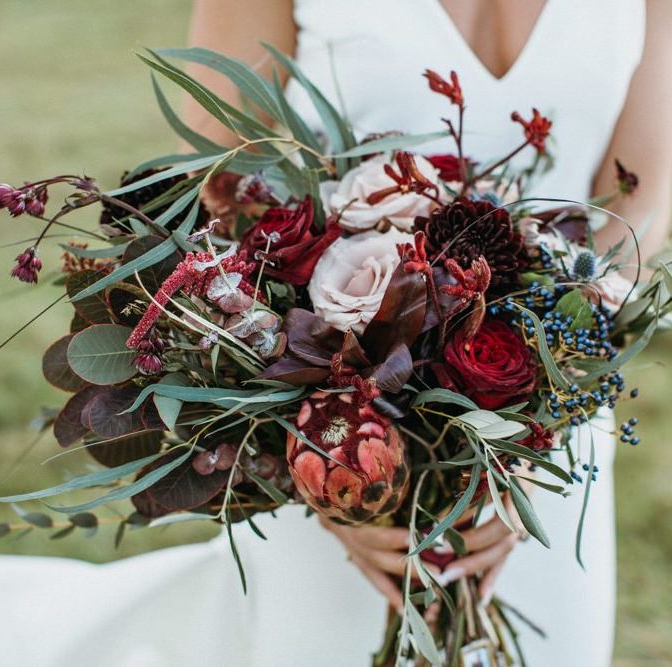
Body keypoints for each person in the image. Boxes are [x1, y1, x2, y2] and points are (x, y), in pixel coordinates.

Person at [180, 1, 672, 665]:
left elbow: (640, 193)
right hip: (333, 422)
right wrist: (334, 472)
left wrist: (535, 419)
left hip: (547, 438)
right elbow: (209, 179)